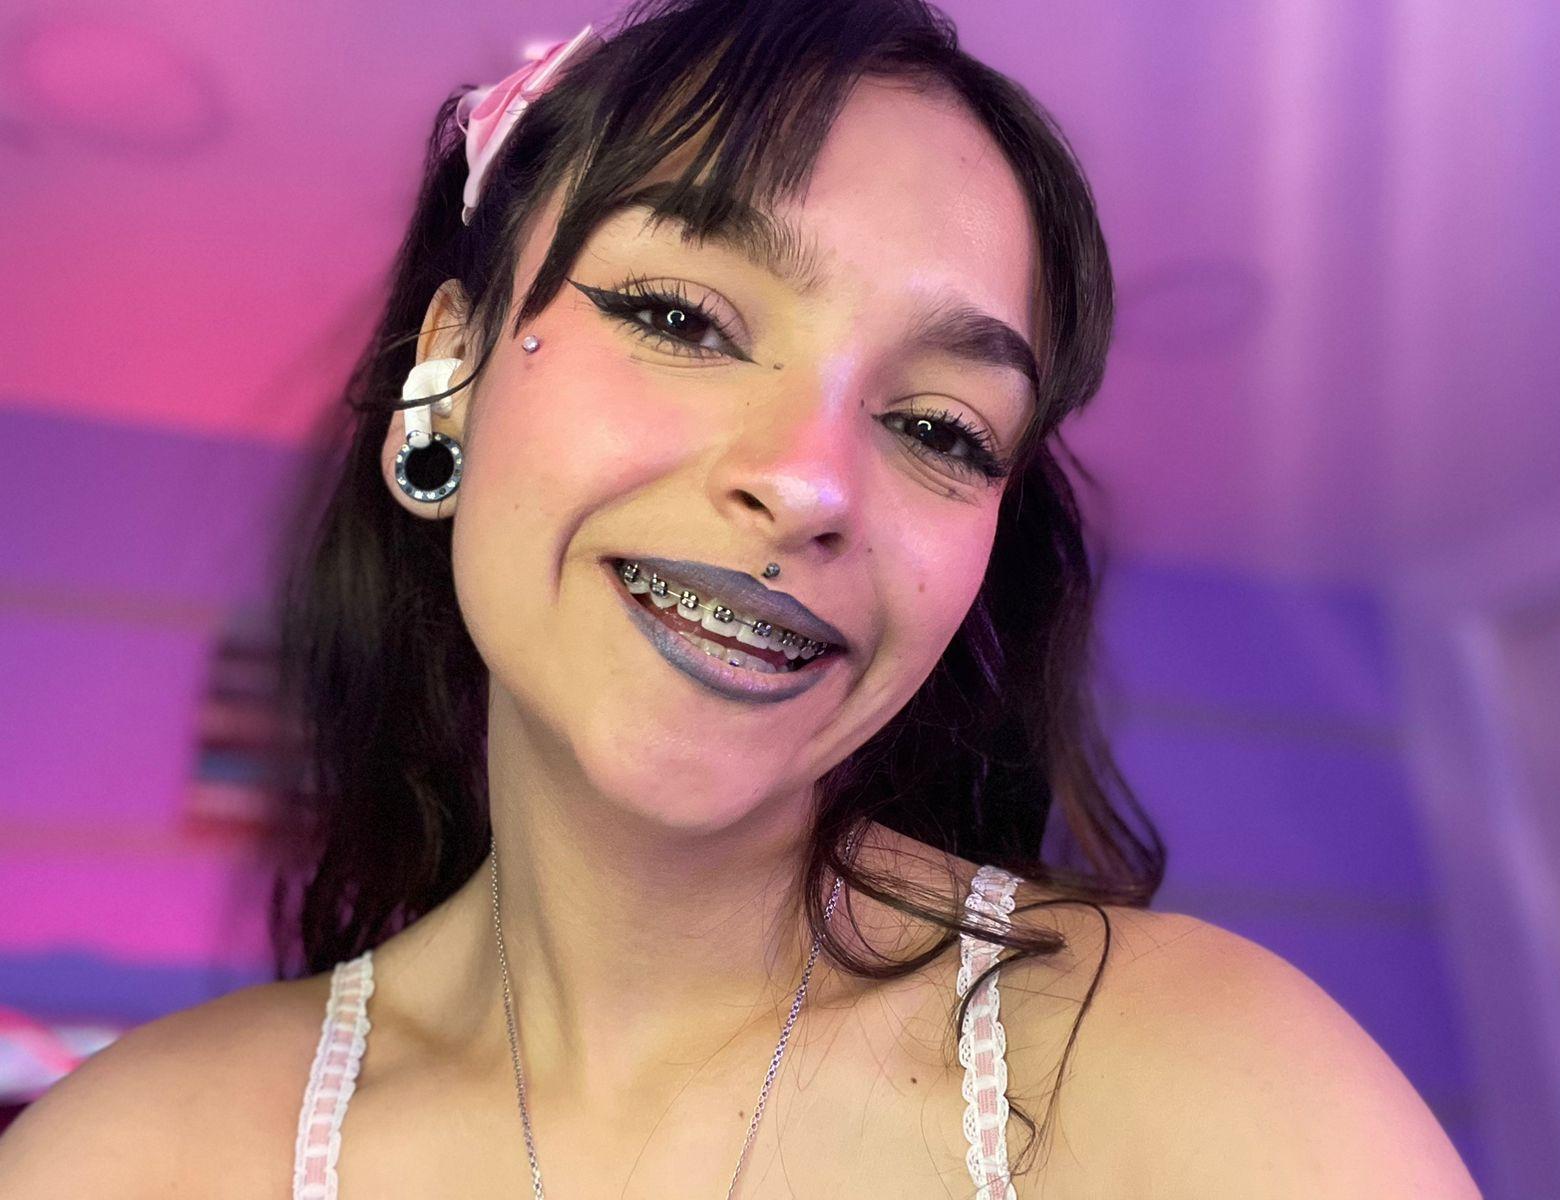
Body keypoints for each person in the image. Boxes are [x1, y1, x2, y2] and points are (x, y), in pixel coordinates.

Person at [0, 0, 1481, 1195]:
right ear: (448, 364)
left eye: (940, 428)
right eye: (680, 317)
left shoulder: (1213, 1086)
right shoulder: (126, 1162)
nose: (809, 480)